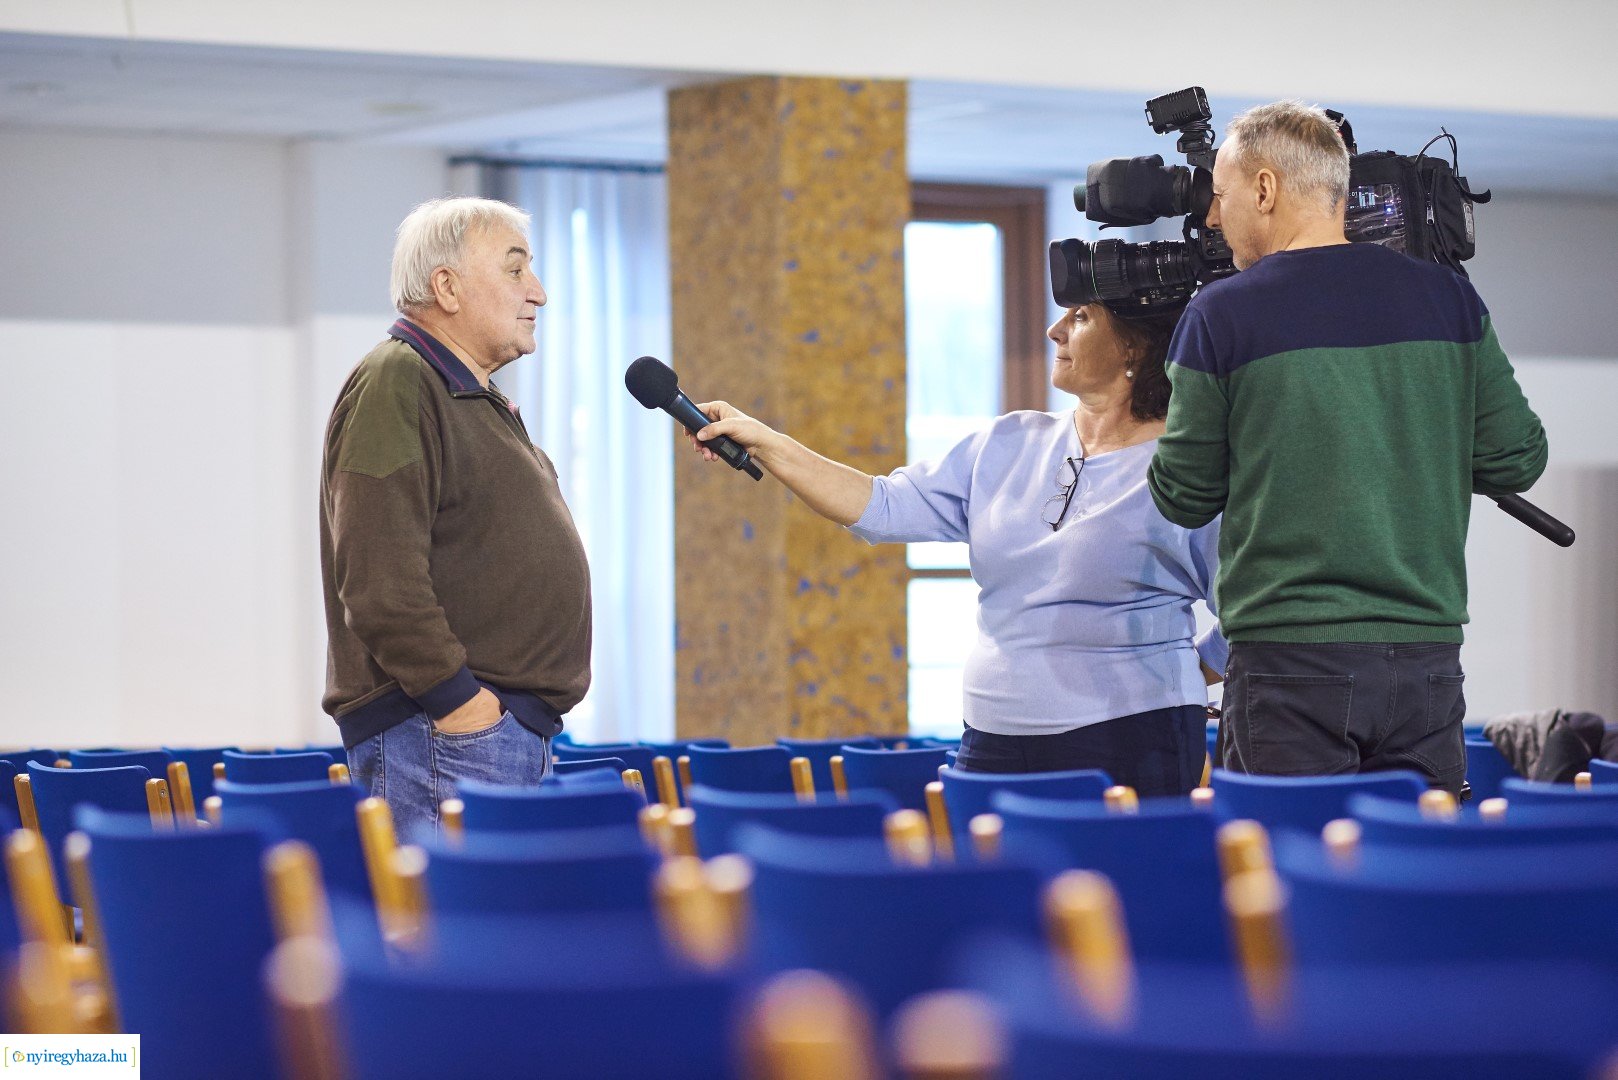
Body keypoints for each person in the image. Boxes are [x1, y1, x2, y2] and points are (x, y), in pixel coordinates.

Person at [1146, 101, 1548, 795]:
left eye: (1221, 195)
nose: (1213, 217)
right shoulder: (1450, 299)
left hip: (1287, 662)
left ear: (1265, 189)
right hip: (1425, 659)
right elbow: (1518, 459)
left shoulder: (1220, 312)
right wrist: (1422, 440)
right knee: (1412, 854)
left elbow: (1183, 495)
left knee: (1286, 857)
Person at [690, 302, 1224, 796]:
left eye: (1080, 317)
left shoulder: (1186, 468)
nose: (1054, 330)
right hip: (991, 734)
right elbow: (882, 507)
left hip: (1131, 736)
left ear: (1134, 346)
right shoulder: (1010, 440)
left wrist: (1183, 669)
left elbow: (1248, 605)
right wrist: (766, 442)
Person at [320, 196, 591, 835]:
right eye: (516, 269)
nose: (539, 292)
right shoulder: (398, 380)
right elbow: (379, 581)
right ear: (446, 287)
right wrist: (461, 705)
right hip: (444, 735)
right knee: (460, 906)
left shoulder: (466, 393)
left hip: (478, 735)